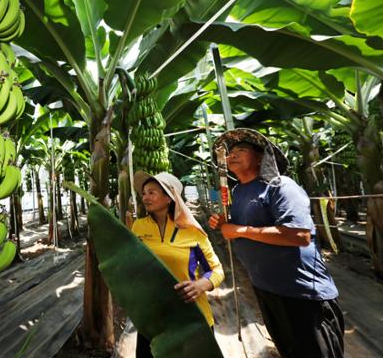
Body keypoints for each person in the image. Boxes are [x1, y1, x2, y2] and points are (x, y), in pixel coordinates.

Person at [208, 128, 344, 358]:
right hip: (266, 289)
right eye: (230, 152)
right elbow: (247, 225)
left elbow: (299, 235)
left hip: (302, 294)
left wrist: (241, 230)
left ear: (261, 157)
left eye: (241, 150)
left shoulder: (281, 186)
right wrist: (225, 223)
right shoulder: (239, 191)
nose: (232, 155)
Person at [132, 171, 224, 358]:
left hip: (190, 315)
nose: (145, 197)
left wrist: (200, 285)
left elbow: (216, 270)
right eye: (144, 193)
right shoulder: (138, 227)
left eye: (152, 192)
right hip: (153, 316)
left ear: (169, 198)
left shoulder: (192, 231)